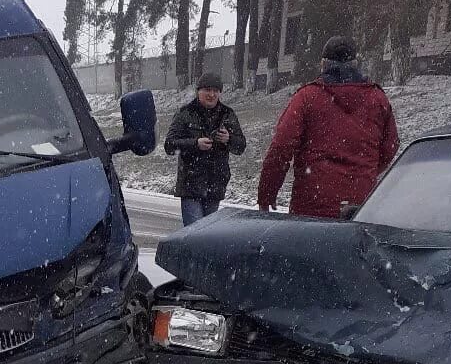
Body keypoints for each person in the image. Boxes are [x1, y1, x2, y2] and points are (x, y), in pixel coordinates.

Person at [257, 35, 399, 218]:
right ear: (356, 63)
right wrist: (365, 171)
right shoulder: (377, 98)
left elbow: (281, 147)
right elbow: (391, 146)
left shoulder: (307, 97)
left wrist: (267, 193)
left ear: (323, 64)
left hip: (312, 203)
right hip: (360, 205)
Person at [163, 72, 247, 226]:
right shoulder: (186, 113)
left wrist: (229, 139)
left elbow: (240, 146)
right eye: (207, 90)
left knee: (207, 237)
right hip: (191, 185)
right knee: (194, 234)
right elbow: (169, 145)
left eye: (216, 90)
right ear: (198, 91)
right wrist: (195, 144)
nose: (212, 94)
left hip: (215, 185)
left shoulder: (227, 114)